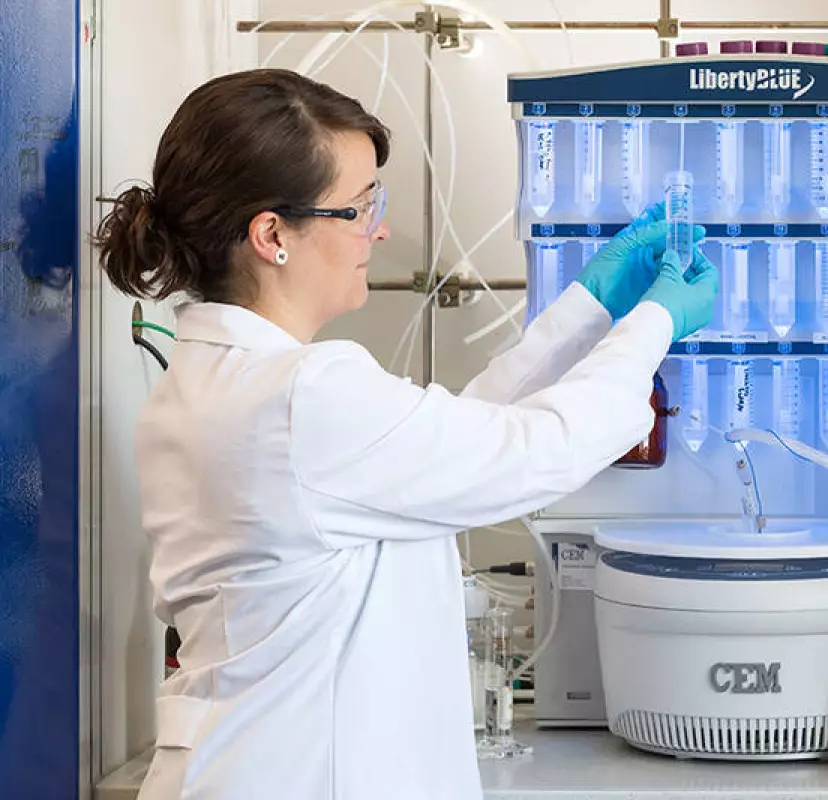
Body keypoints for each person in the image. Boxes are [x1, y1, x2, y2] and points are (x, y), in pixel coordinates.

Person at [94, 68, 716, 799]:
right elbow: (531, 454)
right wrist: (655, 322)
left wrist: (586, 309)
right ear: (272, 235)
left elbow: (449, 447)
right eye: (358, 208)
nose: (379, 229)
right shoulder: (302, 395)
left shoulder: (211, 387)